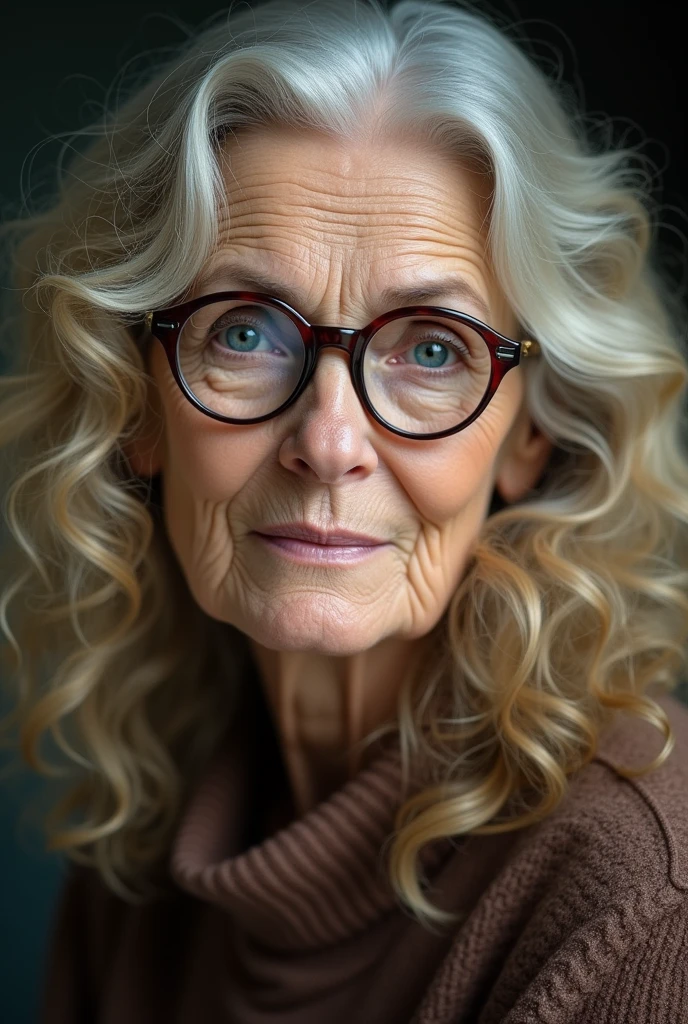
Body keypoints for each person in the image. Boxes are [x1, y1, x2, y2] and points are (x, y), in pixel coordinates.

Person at [1, 0, 688, 1020]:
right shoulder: (144, 857)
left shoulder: (638, 902)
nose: (327, 442)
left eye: (430, 349)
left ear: (529, 429)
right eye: (243, 333)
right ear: (132, 404)